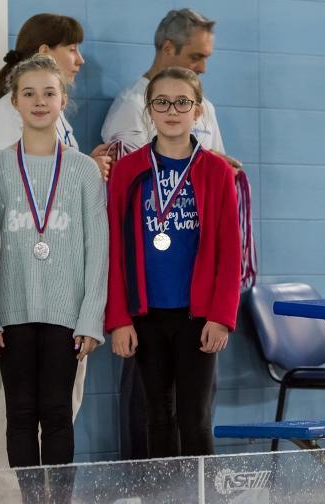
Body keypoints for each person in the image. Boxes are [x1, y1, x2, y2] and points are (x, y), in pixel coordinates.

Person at [100, 7, 239, 460]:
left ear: (198, 111)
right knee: (156, 415)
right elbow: (115, 251)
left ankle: (200, 499)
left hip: (198, 314)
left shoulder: (216, 172)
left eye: (182, 103)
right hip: (146, 313)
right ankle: (161, 501)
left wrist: (222, 315)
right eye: (161, 103)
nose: (172, 111)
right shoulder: (128, 172)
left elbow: (230, 251)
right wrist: (119, 318)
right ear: (149, 111)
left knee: (195, 417)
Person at [0, 13, 111, 471]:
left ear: (63, 101)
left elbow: (98, 250)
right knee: (19, 415)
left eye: (48, 93)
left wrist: (91, 317)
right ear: (13, 101)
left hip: (66, 315)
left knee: (57, 415)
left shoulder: (83, 170)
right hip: (11, 311)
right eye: (29, 94)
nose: (39, 102)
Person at [101, 8, 239, 169]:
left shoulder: (205, 107)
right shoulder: (132, 105)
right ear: (168, 48)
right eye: (195, 57)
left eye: (206, 58)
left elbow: (218, 171)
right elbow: (132, 175)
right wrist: (202, 161)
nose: (203, 69)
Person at [0, 13, 113, 178]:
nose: (80, 60)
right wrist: (85, 171)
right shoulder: (9, 112)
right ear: (44, 52)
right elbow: (13, 177)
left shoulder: (50, 108)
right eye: (72, 49)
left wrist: (85, 162)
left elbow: (53, 166)